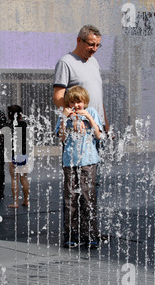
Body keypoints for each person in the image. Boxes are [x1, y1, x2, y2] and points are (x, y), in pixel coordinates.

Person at [55, 86, 103, 249]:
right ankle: (70, 235)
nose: (76, 105)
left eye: (79, 102)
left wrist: (88, 117)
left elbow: (99, 135)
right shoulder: (65, 116)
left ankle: (90, 235)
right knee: (70, 200)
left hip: (88, 162)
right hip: (70, 162)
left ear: (85, 102)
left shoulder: (92, 113)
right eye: (73, 102)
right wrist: (64, 119)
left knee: (88, 198)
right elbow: (61, 138)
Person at [52, 24, 109, 133]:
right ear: (79, 41)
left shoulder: (94, 62)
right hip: (79, 126)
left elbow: (98, 96)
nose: (95, 49)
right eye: (91, 45)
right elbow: (57, 97)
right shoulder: (66, 63)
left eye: (98, 45)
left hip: (97, 126)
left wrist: (105, 124)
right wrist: (74, 118)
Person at [6, 105, 29, 209]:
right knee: (23, 178)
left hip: (13, 155)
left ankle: (15, 202)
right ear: (20, 115)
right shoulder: (24, 124)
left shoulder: (9, 126)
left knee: (14, 178)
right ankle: (26, 200)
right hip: (23, 154)